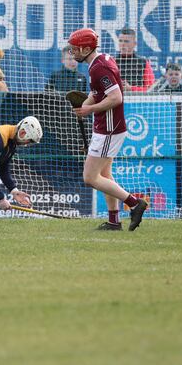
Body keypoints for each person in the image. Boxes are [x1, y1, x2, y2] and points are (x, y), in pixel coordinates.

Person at [67, 27, 149, 231]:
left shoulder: (98, 68)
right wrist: (85, 105)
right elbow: (98, 93)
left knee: (90, 177)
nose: (72, 53)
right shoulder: (100, 60)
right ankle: (114, 222)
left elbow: (116, 97)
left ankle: (134, 203)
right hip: (107, 127)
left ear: (86, 49)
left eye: (75, 49)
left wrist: (89, 110)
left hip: (109, 129)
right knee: (104, 175)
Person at [116, 27, 154, 92]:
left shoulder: (143, 63)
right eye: (120, 41)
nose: (122, 44)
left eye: (126, 41)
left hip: (137, 100)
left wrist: (131, 89)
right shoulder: (112, 62)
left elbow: (151, 89)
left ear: (134, 44)